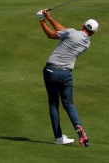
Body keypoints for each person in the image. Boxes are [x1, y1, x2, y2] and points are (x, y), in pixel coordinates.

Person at [37, 9, 97, 147]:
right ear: (94, 33)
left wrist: (41, 19)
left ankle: (58, 137)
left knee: (53, 104)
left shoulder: (71, 32)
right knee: (68, 104)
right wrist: (50, 18)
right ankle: (78, 127)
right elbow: (65, 32)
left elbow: (52, 35)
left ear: (83, 25)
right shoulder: (86, 43)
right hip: (65, 75)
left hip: (50, 71)